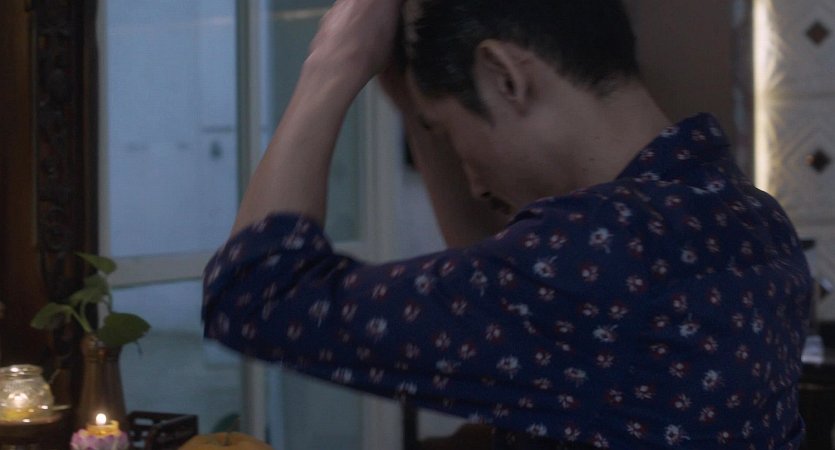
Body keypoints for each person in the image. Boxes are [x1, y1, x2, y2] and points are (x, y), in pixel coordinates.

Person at [202, 0, 813, 448]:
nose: (474, 185)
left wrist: (331, 65)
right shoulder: (747, 214)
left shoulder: (602, 251)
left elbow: (256, 295)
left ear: (505, 76)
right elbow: (510, 282)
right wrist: (419, 109)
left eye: (453, 136)